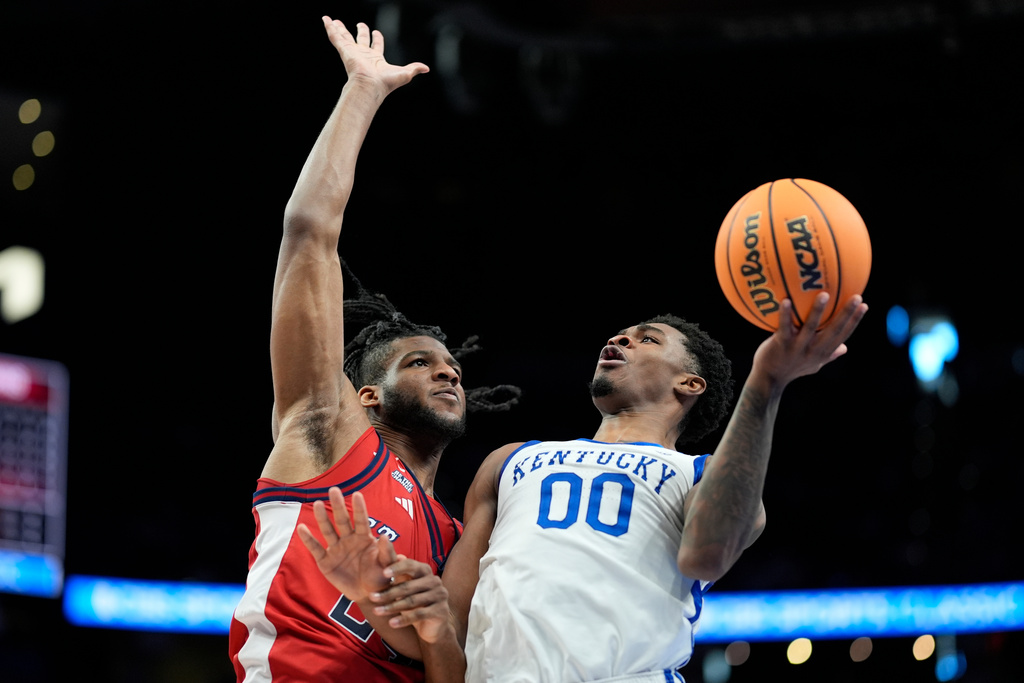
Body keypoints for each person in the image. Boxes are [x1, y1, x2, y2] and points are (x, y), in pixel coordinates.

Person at [304, 292, 868, 682]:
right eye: (622, 332)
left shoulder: (699, 474)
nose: (621, 339)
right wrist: (380, 599)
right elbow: (449, 626)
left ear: (689, 384)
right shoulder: (512, 460)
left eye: (646, 339)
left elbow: (707, 552)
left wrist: (765, 383)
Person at [228, 17, 517, 682]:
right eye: (419, 362)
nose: (447, 369)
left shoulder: (453, 540)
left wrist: (434, 629)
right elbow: (308, 236)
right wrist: (362, 92)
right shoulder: (326, 431)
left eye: (453, 366)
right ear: (366, 394)